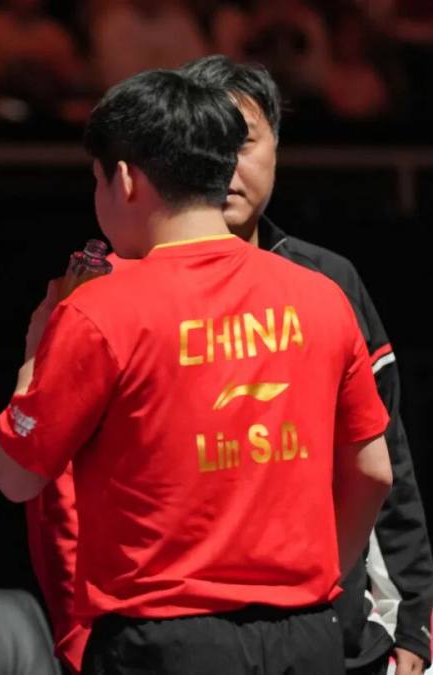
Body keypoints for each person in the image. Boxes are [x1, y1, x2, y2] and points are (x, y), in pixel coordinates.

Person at [0, 68, 393, 675]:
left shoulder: (98, 311)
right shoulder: (321, 297)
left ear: (125, 178)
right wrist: (323, 581)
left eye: (97, 179)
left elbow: (18, 477)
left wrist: (37, 351)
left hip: (164, 643)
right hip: (308, 636)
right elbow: (374, 471)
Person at [179, 54, 433, 675]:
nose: (225, 165)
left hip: (329, 630)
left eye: (244, 142)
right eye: (206, 142)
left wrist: (413, 618)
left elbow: (384, 460)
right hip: (185, 633)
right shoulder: (129, 292)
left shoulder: (329, 283)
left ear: (277, 147)